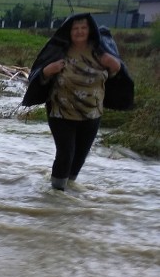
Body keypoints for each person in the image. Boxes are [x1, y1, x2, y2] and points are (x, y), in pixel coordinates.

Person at [22, 12, 134, 190]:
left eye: (83, 28)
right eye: (75, 28)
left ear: (90, 30)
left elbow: (117, 77)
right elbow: (38, 76)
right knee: (66, 153)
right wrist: (47, 71)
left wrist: (116, 66)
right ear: (69, 31)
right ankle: (56, 193)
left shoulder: (102, 50)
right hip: (61, 111)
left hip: (92, 113)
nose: (79, 32)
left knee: (80, 156)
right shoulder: (59, 49)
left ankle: (70, 192)